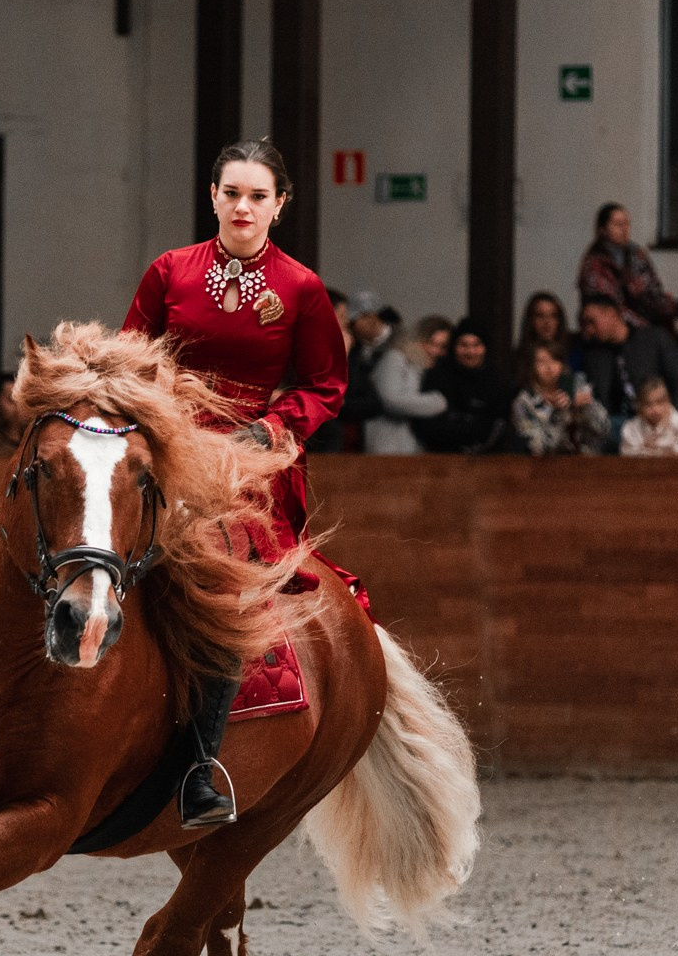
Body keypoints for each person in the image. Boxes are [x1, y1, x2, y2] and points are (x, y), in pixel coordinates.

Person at [122, 137, 351, 827]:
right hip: (166, 438)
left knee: (223, 592)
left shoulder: (302, 289)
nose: (242, 206)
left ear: (279, 205)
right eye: (232, 193)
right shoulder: (170, 271)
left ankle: (199, 768)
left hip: (246, 458)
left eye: (257, 195)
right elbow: (133, 356)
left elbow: (325, 384)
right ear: (212, 198)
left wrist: (272, 428)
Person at [579, 295, 678, 451]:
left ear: (611, 313)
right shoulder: (594, 356)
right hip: (615, 425)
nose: (589, 330)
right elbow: (597, 400)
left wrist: (672, 422)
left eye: (592, 321)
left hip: (657, 417)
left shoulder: (654, 339)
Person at [413, 318, 513, 453]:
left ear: (485, 348)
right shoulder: (437, 376)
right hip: (438, 459)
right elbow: (427, 425)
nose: (470, 352)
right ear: (454, 347)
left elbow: (499, 426)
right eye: (463, 345)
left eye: (477, 345)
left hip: (486, 461)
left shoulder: (498, 381)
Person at [577, 202, 674, 330]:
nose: (624, 229)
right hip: (611, 327)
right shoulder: (594, 263)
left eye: (627, 224)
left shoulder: (636, 254)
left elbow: (654, 288)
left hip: (646, 317)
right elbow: (610, 307)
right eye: (618, 224)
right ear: (603, 229)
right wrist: (645, 327)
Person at [502, 339, 608, 456]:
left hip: (587, 462)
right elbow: (538, 447)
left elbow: (604, 432)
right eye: (541, 362)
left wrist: (588, 407)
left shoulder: (578, 388)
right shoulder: (524, 402)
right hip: (545, 466)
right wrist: (557, 413)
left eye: (554, 360)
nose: (549, 367)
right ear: (532, 367)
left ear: (562, 364)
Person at [366, 314, 452, 455]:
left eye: (443, 347)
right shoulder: (395, 358)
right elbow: (390, 400)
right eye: (432, 343)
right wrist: (440, 402)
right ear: (418, 339)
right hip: (386, 450)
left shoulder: (427, 370)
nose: (435, 351)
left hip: (413, 453)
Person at [327, 289, 392, 453]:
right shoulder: (299, 354)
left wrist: (342, 404)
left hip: (348, 446)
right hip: (313, 449)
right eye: (342, 317)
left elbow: (374, 403)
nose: (347, 323)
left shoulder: (355, 357)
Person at [619, 377, 678, 457]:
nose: (655, 410)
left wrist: (670, 449)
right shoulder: (631, 428)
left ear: (668, 401)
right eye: (648, 405)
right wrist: (647, 449)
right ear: (639, 406)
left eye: (659, 402)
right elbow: (626, 455)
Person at [516, 291, 574, 359]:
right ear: (531, 320)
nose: (547, 322)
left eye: (553, 316)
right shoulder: (517, 358)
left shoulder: (571, 354)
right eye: (540, 315)